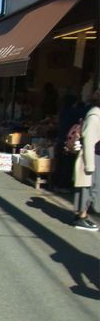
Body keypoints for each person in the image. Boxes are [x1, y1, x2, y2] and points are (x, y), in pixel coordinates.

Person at [72, 90, 100, 231]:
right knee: (87, 188)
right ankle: (81, 217)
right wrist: (89, 165)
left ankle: (84, 215)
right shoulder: (95, 116)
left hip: (95, 156)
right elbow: (89, 141)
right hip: (91, 157)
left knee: (91, 188)